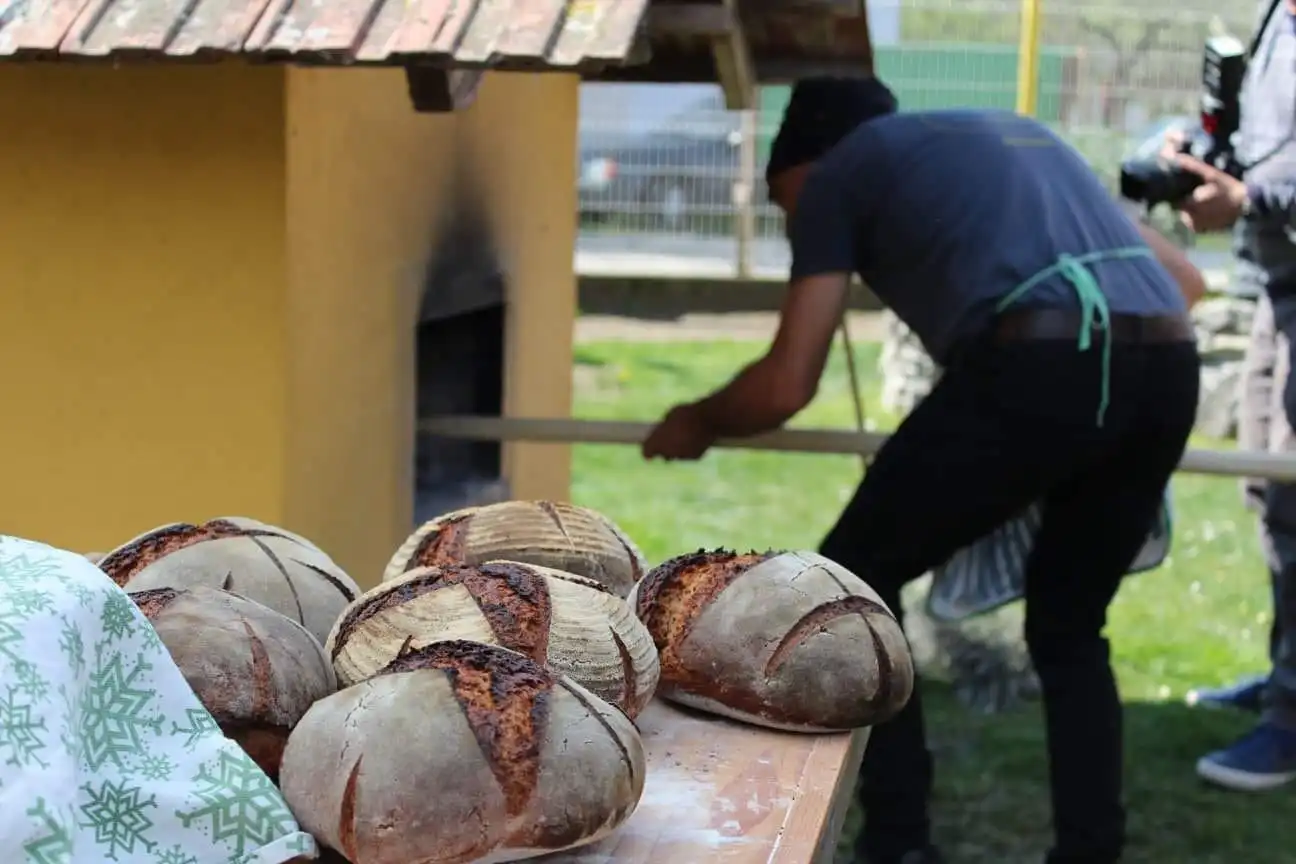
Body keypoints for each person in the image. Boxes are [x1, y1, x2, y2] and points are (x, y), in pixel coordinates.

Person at [640, 77, 1204, 864]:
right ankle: (1091, 852)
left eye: (782, 200)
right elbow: (1186, 282)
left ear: (805, 162)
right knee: (1071, 627)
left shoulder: (839, 172)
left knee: (853, 582)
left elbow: (787, 383)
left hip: (1042, 361)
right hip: (1169, 366)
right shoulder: (1015, 133)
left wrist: (695, 421)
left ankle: (900, 842)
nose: (792, 220)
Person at [1172, 0, 1296, 792]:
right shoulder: (1276, 18)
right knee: (1269, 489)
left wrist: (1247, 201)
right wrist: (1206, 151)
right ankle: (1284, 676)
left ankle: (1291, 717)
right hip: (1274, 288)